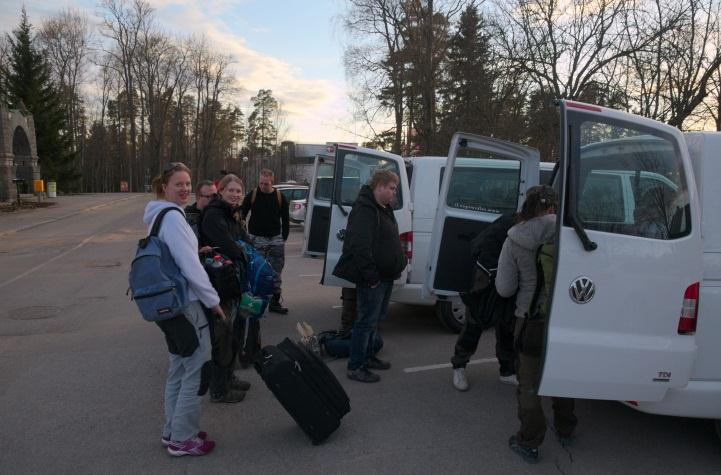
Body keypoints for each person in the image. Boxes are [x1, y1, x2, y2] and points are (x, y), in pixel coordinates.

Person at [143, 162, 225, 456]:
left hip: (166, 305)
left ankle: (172, 430)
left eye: (188, 183)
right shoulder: (174, 218)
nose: (185, 189)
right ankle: (183, 438)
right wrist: (213, 301)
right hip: (185, 303)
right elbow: (189, 267)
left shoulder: (157, 216)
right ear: (164, 186)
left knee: (178, 365)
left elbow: (174, 257)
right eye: (179, 184)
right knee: (196, 366)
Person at [496, 185, 577, 464]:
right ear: (555, 207)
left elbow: (505, 288)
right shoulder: (572, 234)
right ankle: (566, 429)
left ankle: (530, 440)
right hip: (565, 320)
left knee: (528, 380)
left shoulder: (515, 239)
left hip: (529, 321)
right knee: (563, 375)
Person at [332, 169, 407, 383]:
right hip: (373, 279)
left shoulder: (383, 207)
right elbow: (359, 245)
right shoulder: (365, 209)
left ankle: (369, 356)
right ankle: (356, 365)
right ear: (380, 186)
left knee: (376, 320)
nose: (394, 193)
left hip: (386, 276)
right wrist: (371, 277)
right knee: (365, 321)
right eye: (392, 188)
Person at [199, 174, 254, 403]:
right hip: (218, 285)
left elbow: (244, 240)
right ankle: (219, 389)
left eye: (238, 191)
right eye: (230, 190)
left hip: (233, 283)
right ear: (220, 191)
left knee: (234, 335)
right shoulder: (214, 214)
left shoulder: (232, 214)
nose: (235, 194)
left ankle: (229, 376)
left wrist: (249, 249)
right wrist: (245, 253)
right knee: (221, 337)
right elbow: (230, 246)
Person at [451, 213, 518, 391]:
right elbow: (484, 247)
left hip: (507, 280)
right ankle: (459, 366)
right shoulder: (509, 223)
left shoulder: (530, 225)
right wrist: (494, 273)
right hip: (486, 277)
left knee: (506, 325)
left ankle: (507, 371)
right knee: (475, 322)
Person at [240, 169, 290, 314]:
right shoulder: (253, 195)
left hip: (276, 240)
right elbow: (242, 213)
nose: (262, 186)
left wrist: (283, 237)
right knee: (257, 271)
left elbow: (286, 220)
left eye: (266, 183)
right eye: (261, 183)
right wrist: (245, 235)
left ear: (271, 182)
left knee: (276, 273)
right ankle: (255, 301)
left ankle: (275, 302)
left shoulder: (280, 197)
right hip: (256, 239)